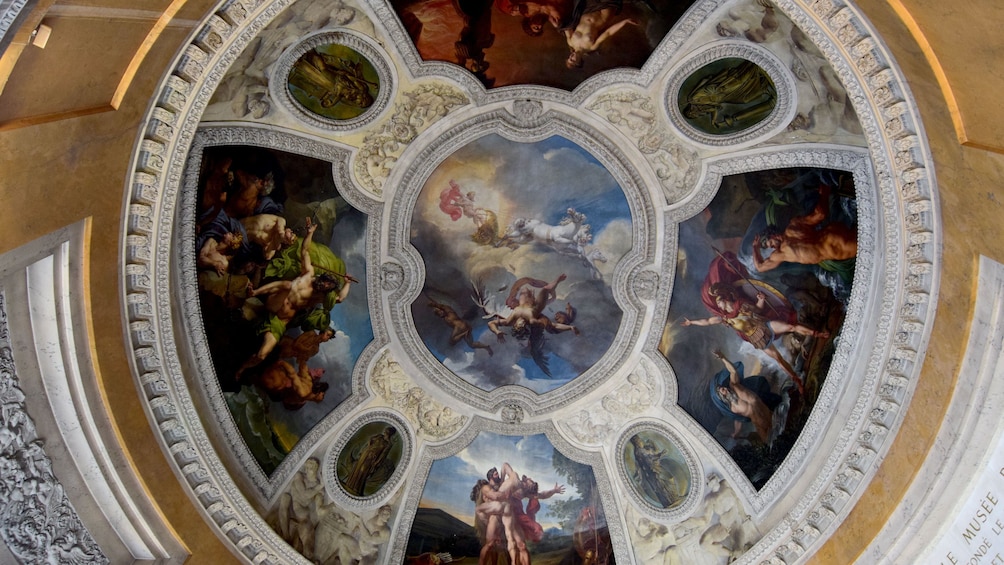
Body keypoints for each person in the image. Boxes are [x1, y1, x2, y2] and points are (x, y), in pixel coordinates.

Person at [681, 251, 828, 392]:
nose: (718, 306)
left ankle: (818, 334)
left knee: (791, 326)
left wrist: (760, 300)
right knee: (778, 359)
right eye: (718, 304)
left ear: (725, 298)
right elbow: (707, 321)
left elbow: (757, 310)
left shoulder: (741, 304)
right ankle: (797, 381)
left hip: (764, 326)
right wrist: (692, 323)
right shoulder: (725, 318)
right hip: (756, 338)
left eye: (719, 302)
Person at [236, 218, 351, 379]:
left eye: (326, 288)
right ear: (322, 278)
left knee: (262, 354)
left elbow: (339, 299)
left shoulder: (318, 296)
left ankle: (242, 369)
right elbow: (304, 251)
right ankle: (254, 292)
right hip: (274, 304)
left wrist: (347, 284)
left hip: (280, 321)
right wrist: (310, 233)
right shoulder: (308, 273)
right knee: (288, 286)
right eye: (324, 283)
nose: (323, 287)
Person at [752, 183, 858, 273]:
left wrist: (824, 194)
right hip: (836, 237)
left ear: (773, 235)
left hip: (839, 244)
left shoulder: (782, 254)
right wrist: (824, 194)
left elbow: (760, 267)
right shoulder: (793, 227)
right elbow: (820, 214)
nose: (774, 248)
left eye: (771, 244)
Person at [682, 59, 776, 130]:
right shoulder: (703, 107)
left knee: (739, 82)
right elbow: (714, 110)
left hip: (720, 88)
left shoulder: (693, 98)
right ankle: (763, 87)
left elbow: (704, 81)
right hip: (725, 97)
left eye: (693, 114)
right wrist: (713, 121)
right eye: (695, 116)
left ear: (690, 111)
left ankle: (756, 68)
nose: (697, 114)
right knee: (745, 99)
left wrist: (712, 88)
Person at [711, 350, 781, 442]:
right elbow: (738, 419)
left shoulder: (734, 385)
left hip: (766, 410)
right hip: (759, 422)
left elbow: (733, 371)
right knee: (769, 439)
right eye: (723, 390)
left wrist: (723, 357)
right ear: (722, 396)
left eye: (724, 387)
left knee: (780, 426)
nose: (726, 389)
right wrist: (737, 432)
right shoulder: (733, 408)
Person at [488, 274, 580, 341]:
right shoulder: (533, 321)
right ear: (525, 328)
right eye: (523, 326)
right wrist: (570, 328)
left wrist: (497, 332)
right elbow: (553, 325)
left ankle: (548, 291)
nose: (522, 323)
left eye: (519, 325)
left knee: (524, 287)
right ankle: (558, 280)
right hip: (536, 307)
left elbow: (491, 323)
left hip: (524, 302)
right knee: (546, 289)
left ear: (515, 325)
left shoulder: (510, 320)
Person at [288, 49, 376, 109]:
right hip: (338, 80)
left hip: (332, 87)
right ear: (365, 98)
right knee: (323, 70)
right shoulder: (362, 89)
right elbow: (353, 79)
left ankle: (301, 64)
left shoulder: (351, 98)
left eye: (360, 105)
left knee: (315, 78)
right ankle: (312, 55)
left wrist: (331, 104)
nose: (358, 103)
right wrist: (344, 74)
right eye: (361, 102)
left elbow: (339, 96)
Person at [564, 10, 637, 68]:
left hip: (586, 10)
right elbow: (608, 33)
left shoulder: (570, 42)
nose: (571, 56)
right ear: (578, 62)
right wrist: (624, 22)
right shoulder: (591, 47)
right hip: (600, 17)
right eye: (572, 60)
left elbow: (566, 26)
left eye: (569, 58)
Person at [342, 427, 397, 496]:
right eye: (385, 431)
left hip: (372, 459)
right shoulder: (379, 436)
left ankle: (357, 488)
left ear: (390, 433)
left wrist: (376, 462)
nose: (385, 432)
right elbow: (371, 439)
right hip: (366, 454)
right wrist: (368, 447)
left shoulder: (388, 444)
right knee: (357, 468)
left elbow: (383, 455)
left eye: (387, 432)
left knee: (363, 471)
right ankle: (349, 484)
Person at [428, 299, 494, 356]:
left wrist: (434, 304)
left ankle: (464, 333)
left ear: (441, 310)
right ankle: (486, 347)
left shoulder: (449, 312)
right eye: (439, 314)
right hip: (461, 328)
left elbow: (443, 306)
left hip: (460, 326)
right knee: (471, 345)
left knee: (452, 341)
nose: (441, 314)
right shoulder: (445, 318)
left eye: (440, 312)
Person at [630, 435, 680, 508]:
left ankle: (670, 500)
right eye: (639, 441)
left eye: (640, 440)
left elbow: (651, 455)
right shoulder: (640, 451)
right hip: (653, 471)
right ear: (637, 442)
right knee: (663, 484)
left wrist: (659, 454)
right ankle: (671, 500)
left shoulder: (639, 451)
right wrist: (660, 454)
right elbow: (650, 458)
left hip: (653, 471)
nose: (641, 442)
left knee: (661, 486)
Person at [471, 468, 506, 565]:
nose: (498, 475)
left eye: (498, 474)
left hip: (497, 516)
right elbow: (494, 497)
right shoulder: (486, 487)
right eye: (496, 474)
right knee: (490, 544)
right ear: (491, 476)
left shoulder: (495, 486)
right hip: (492, 516)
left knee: (496, 546)